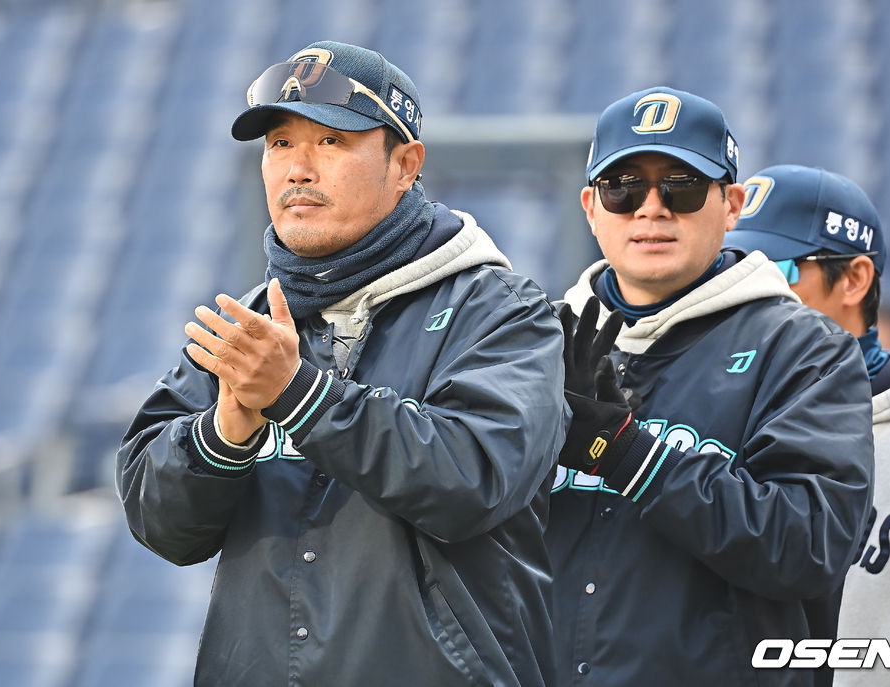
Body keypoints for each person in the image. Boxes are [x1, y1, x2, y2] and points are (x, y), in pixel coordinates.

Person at [116, 41, 568, 686]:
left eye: (331, 141)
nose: (298, 170)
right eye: (279, 144)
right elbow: (162, 525)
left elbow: (476, 481)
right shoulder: (253, 324)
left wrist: (300, 396)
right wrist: (223, 435)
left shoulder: (502, 310)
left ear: (405, 164)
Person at [546, 87, 874, 687]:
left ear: (732, 205)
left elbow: (809, 548)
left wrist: (628, 454)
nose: (651, 209)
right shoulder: (536, 339)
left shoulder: (805, 349)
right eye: (623, 188)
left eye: (682, 186)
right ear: (592, 207)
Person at [725, 164, 890, 687]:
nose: (741, 289)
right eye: (731, 268)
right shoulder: (710, 419)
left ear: (855, 280)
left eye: (774, 269)